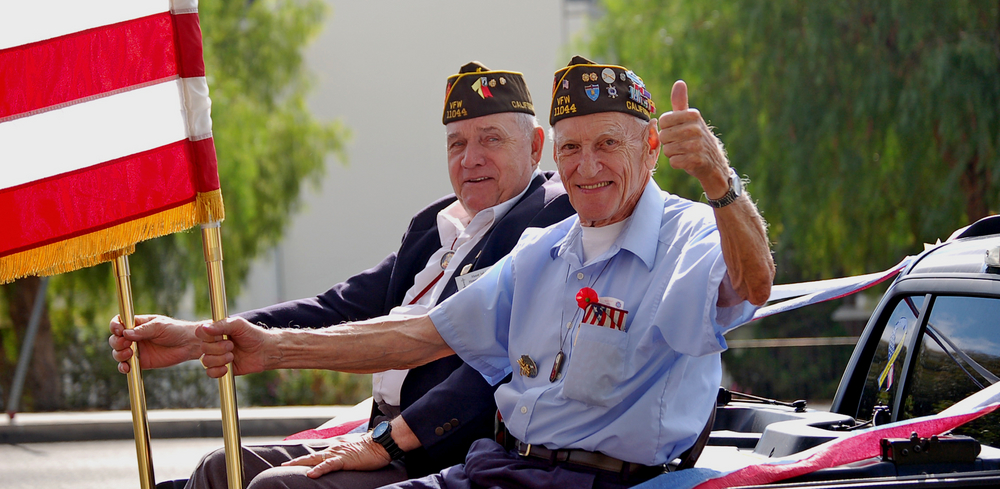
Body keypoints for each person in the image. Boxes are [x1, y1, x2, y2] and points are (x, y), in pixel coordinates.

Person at [193, 55, 775, 489]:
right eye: (571, 149)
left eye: (607, 145)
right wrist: (270, 348)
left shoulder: (693, 232)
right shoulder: (543, 250)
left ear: (651, 147)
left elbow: (753, 285)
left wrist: (718, 178)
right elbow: (417, 335)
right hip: (498, 468)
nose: (587, 166)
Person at [109, 62, 575, 488]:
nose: (470, 158)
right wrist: (197, 336)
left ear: (536, 146)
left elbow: (491, 366)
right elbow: (336, 308)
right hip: (381, 431)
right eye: (457, 143)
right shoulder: (436, 227)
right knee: (217, 470)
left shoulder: (549, 220)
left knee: (275, 487)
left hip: (443, 449)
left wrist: (386, 442)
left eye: (490, 139)